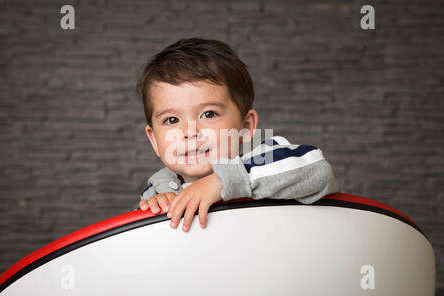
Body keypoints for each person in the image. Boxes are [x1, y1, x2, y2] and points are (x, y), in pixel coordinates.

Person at [135, 38, 339, 232]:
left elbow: (317, 170)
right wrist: (150, 217)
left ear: (246, 126)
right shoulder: (156, 191)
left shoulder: (266, 161)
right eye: (171, 120)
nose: (189, 132)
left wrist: (222, 181)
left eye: (209, 114)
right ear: (154, 139)